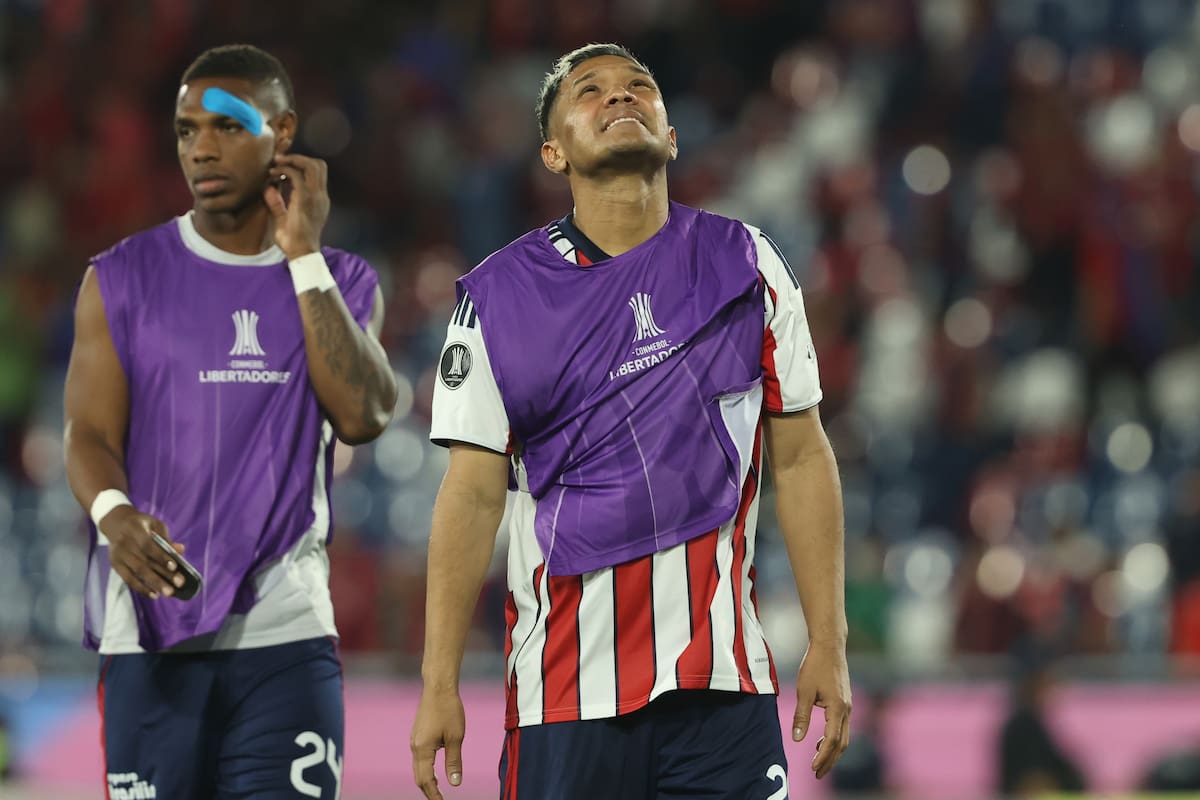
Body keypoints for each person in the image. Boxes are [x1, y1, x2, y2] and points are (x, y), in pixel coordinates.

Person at [411, 43, 851, 799]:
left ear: (672, 134)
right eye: (590, 91)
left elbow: (803, 457)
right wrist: (438, 681)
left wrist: (830, 642)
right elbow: (472, 495)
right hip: (563, 694)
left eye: (639, 87)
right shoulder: (496, 300)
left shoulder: (744, 263)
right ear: (553, 152)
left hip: (722, 681)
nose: (620, 98)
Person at [63, 44, 397, 799]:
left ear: (282, 134)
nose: (200, 147)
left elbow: (365, 414)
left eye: (225, 125)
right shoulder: (120, 277)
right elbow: (87, 434)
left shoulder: (341, 280)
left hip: (285, 636)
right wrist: (115, 518)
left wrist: (302, 254)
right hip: (149, 632)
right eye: (185, 130)